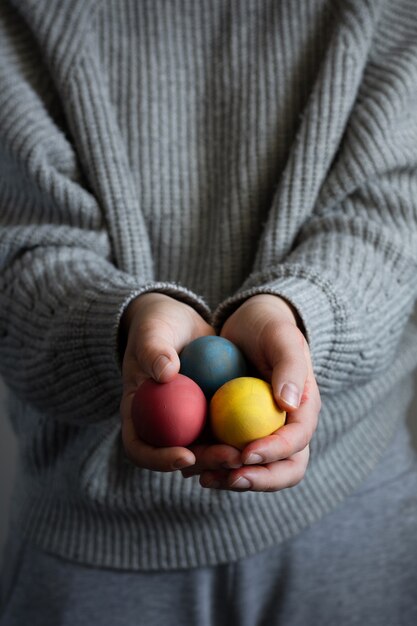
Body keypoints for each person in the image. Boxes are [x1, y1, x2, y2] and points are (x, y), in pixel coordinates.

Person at [0, 0, 416, 624]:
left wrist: (297, 316)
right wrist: (123, 326)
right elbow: (20, 246)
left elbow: (392, 214)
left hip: (349, 503)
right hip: (95, 544)